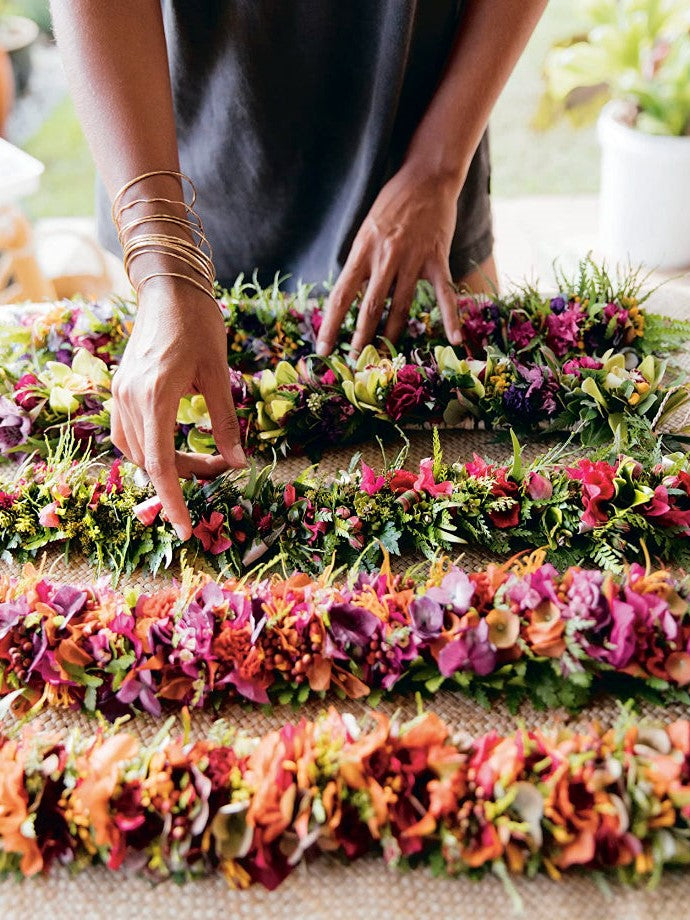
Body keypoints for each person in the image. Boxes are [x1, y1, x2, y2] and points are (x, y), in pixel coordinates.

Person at [51, 0, 546, 540]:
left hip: (420, 147)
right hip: (176, 165)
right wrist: (163, 265)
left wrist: (439, 166)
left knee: (495, 464)